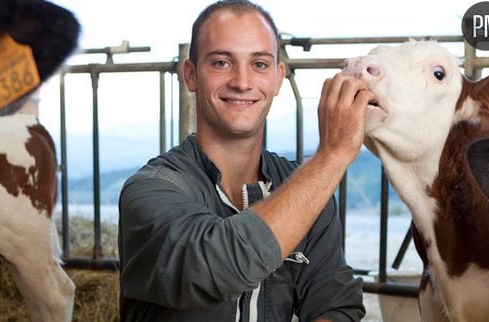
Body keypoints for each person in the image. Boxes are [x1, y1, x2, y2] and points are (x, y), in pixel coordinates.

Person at [118, 1, 376, 321]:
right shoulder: (151, 190)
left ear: (279, 78)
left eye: (260, 64)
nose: (242, 81)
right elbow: (218, 266)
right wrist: (332, 156)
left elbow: (334, 304)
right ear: (190, 75)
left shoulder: (309, 189)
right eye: (222, 62)